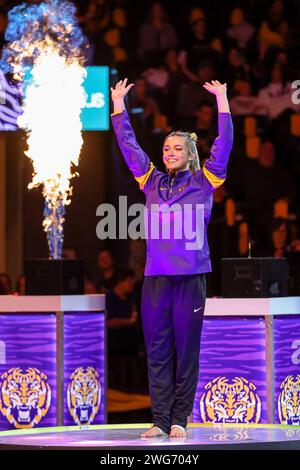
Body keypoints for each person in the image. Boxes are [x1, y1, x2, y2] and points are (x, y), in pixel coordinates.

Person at [110, 78, 233, 438]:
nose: (169, 153)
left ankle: (180, 418)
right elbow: (130, 147)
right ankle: (160, 419)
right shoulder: (151, 181)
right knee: (158, 349)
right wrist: (118, 105)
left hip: (191, 277)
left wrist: (223, 100)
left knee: (186, 350)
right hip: (156, 279)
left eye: (176, 148)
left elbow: (223, 146)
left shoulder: (204, 180)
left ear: (189, 153)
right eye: (166, 149)